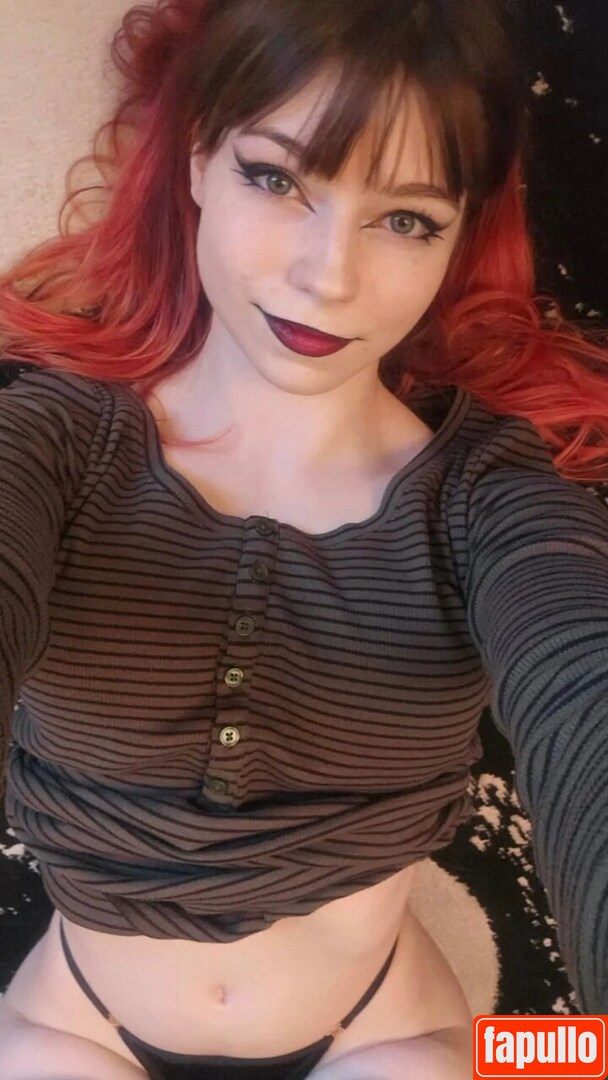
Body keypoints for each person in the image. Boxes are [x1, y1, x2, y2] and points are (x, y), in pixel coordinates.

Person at [0, 0, 607, 1077]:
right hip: (71, 1021)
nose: (329, 276)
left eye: (405, 219)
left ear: (459, 236)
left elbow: (583, 683)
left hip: (386, 1026)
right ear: (197, 157)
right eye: (276, 179)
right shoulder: (50, 440)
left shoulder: (488, 491)